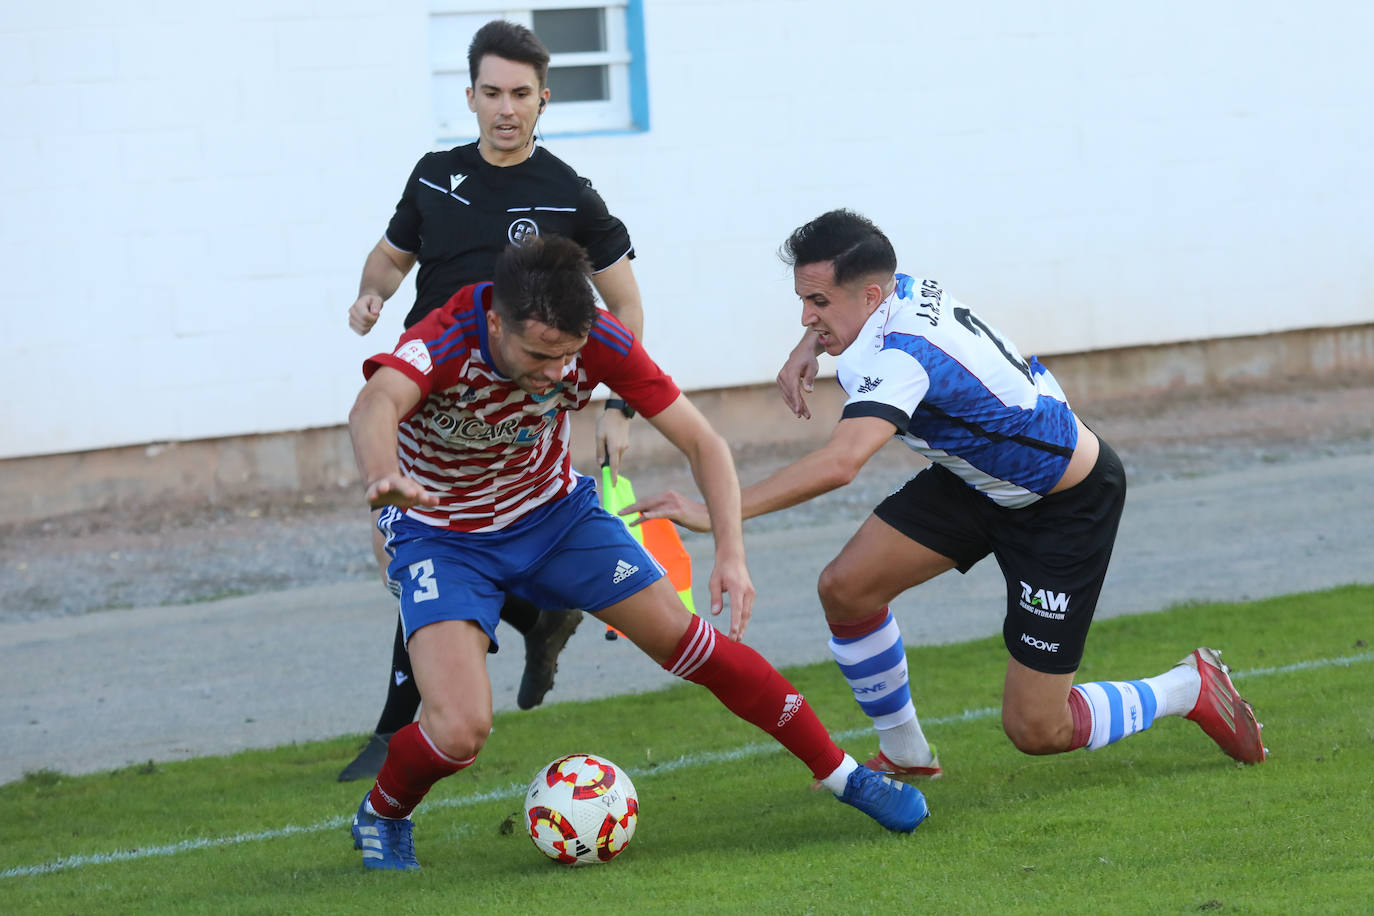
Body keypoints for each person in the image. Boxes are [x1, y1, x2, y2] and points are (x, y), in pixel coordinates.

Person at [345, 235, 929, 871]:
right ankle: (384, 812)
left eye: (564, 358)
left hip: (554, 516)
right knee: (460, 730)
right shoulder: (448, 333)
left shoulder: (598, 338)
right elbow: (376, 402)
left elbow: (704, 444)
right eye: (538, 355)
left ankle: (844, 775)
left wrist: (730, 553)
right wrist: (383, 475)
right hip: (441, 534)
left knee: (691, 642)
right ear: (495, 322)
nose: (552, 375)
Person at [627, 209, 1266, 786]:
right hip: (975, 479)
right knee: (846, 588)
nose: (805, 318)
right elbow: (853, 317)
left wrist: (717, 512)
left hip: (1063, 502)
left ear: (870, 295)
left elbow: (842, 463)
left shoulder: (902, 355)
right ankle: (907, 754)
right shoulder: (894, 291)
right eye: (802, 301)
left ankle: (1190, 687)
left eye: (816, 303)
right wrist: (807, 348)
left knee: (1037, 730)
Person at [338, 20, 645, 782]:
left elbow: (626, 307)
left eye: (520, 94)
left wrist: (616, 405)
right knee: (409, 552)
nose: (505, 109)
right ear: (469, 96)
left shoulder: (569, 193)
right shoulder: (435, 175)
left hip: (512, 415)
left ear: (545, 98)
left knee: (429, 551)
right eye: (491, 93)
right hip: (423, 399)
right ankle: (535, 621)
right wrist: (372, 295)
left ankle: (392, 733)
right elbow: (389, 257)